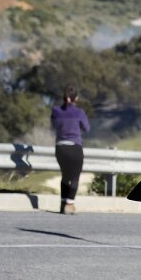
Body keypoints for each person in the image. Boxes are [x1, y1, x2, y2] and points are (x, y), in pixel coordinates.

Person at [50, 85, 89, 215]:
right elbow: (86, 128)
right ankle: (70, 204)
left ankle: (62, 203)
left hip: (60, 148)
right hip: (74, 147)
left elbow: (54, 125)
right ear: (76, 98)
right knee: (75, 177)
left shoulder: (55, 111)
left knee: (65, 176)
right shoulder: (79, 113)